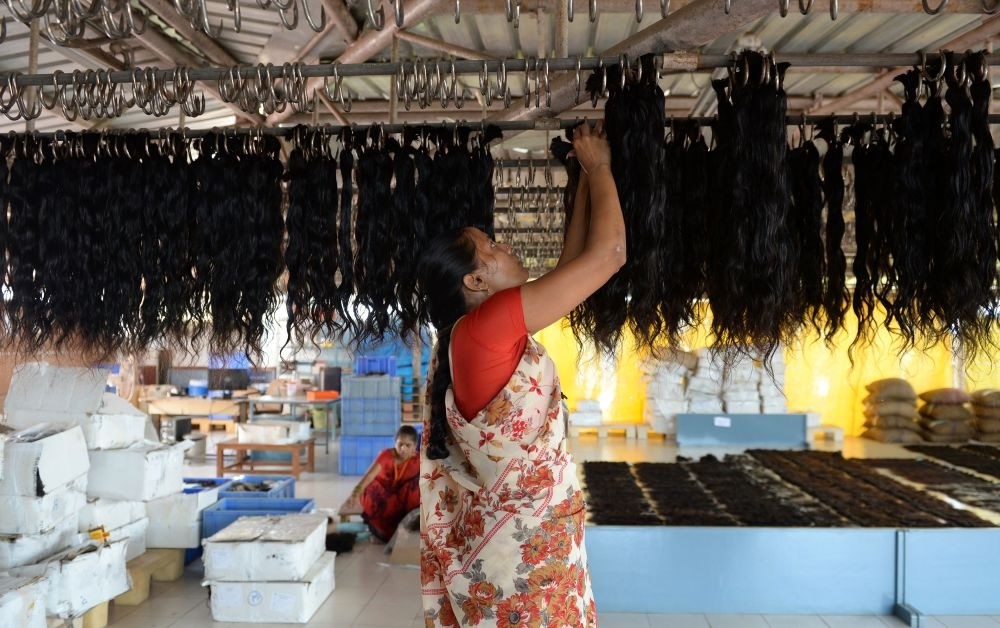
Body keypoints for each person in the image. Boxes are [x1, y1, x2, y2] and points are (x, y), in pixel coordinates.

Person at [416, 121, 624, 627]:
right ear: (476, 280)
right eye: (491, 246)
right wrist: (600, 167)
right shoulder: (483, 329)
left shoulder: (472, 334)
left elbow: (569, 267)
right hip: (523, 555)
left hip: (528, 545)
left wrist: (581, 179)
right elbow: (609, 257)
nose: (505, 246)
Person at [340, 424, 421, 542]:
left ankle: (410, 528)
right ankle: (380, 533)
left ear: (414, 447)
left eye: (408, 445)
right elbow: (370, 475)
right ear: (395, 443)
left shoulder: (418, 460)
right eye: (400, 444)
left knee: (416, 487)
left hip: (401, 496)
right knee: (371, 490)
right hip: (384, 493)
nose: (403, 448)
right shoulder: (386, 455)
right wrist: (355, 494)